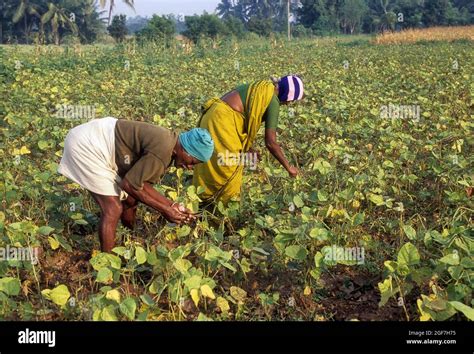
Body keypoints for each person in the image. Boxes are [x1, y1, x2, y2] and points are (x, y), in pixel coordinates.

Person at [58, 117, 214, 252]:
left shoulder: (169, 144)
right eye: (192, 162)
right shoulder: (162, 153)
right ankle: (107, 266)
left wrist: (172, 205)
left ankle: (129, 237)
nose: (190, 167)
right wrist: (165, 210)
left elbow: (140, 186)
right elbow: (130, 184)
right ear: (185, 150)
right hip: (88, 145)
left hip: (99, 136)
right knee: (112, 208)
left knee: (131, 199)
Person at [192, 75, 304, 203]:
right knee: (228, 165)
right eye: (291, 100)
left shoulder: (263, 88)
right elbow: (271, 142)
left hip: (214, 115)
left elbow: (242, 116)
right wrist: (289, 168)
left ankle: (201, 199)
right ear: (287, 94)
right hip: (222, 121)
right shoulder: (272, 101)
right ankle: (220, 205)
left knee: (213, 160)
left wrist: (248, 149)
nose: (288, 103)